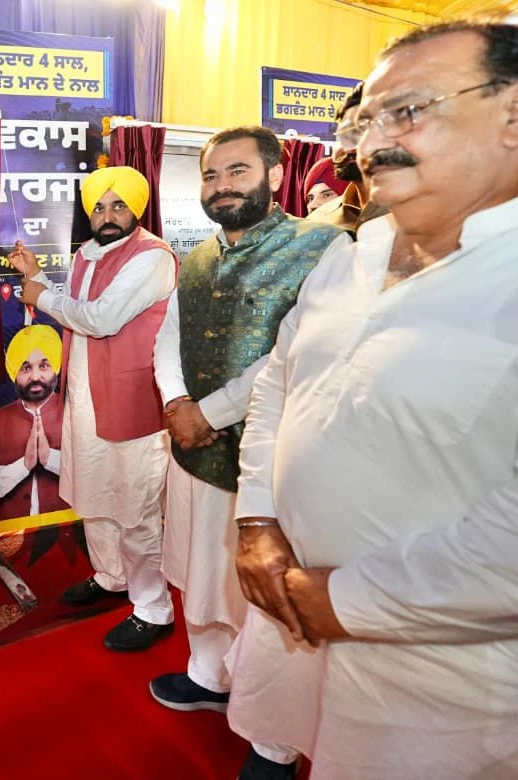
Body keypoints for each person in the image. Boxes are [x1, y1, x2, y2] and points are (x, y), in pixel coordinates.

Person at [228, 22, 518, 778]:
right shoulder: (348, 260)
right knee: (286, 739)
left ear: (513, 118)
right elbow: (278, 383)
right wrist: (257, 518)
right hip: (289, 611)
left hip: (440, 679)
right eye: (364, 122)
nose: (372, 144)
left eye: (408, 111)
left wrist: (347, 601)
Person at [149, 126, 349, 780]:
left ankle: (274, 742)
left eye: (237, 171)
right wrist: (176, 403)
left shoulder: (323, 247)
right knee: (201, 570)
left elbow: (298, 353)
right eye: (211, 175)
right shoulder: (197, 257)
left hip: (273, 465)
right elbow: (169, 336)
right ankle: (208, 675)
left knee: (267, 597)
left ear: (274, 175)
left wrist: (207, 413)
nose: (221, 186)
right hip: (193, 453)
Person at [11, 165, 178, 651]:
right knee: (95, 494)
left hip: (131, 404)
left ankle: (153, 608)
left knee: (134, 508)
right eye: (99, 207)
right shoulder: (87, 252)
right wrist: (37, 277)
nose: (107, 215)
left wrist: (41, 296)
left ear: (136, 208)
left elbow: (102, 319)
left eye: (118, 205)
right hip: (86, 401)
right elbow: (74, 304)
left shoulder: (152, 258)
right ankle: (111, 576)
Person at [0, 324, 65, 521]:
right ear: (13, 373)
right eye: (25, 368)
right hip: (9, 532)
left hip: (68, 531)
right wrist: (23, 466)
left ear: (56, 368)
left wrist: (51, 459)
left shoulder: (75, 412)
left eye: (44, 366)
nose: (35, 377)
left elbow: (99, 475)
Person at [308, 83, 388, 233]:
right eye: (343, 135)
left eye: (360, 133)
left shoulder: (419, 215)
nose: (347, 148)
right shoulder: (319, 220)